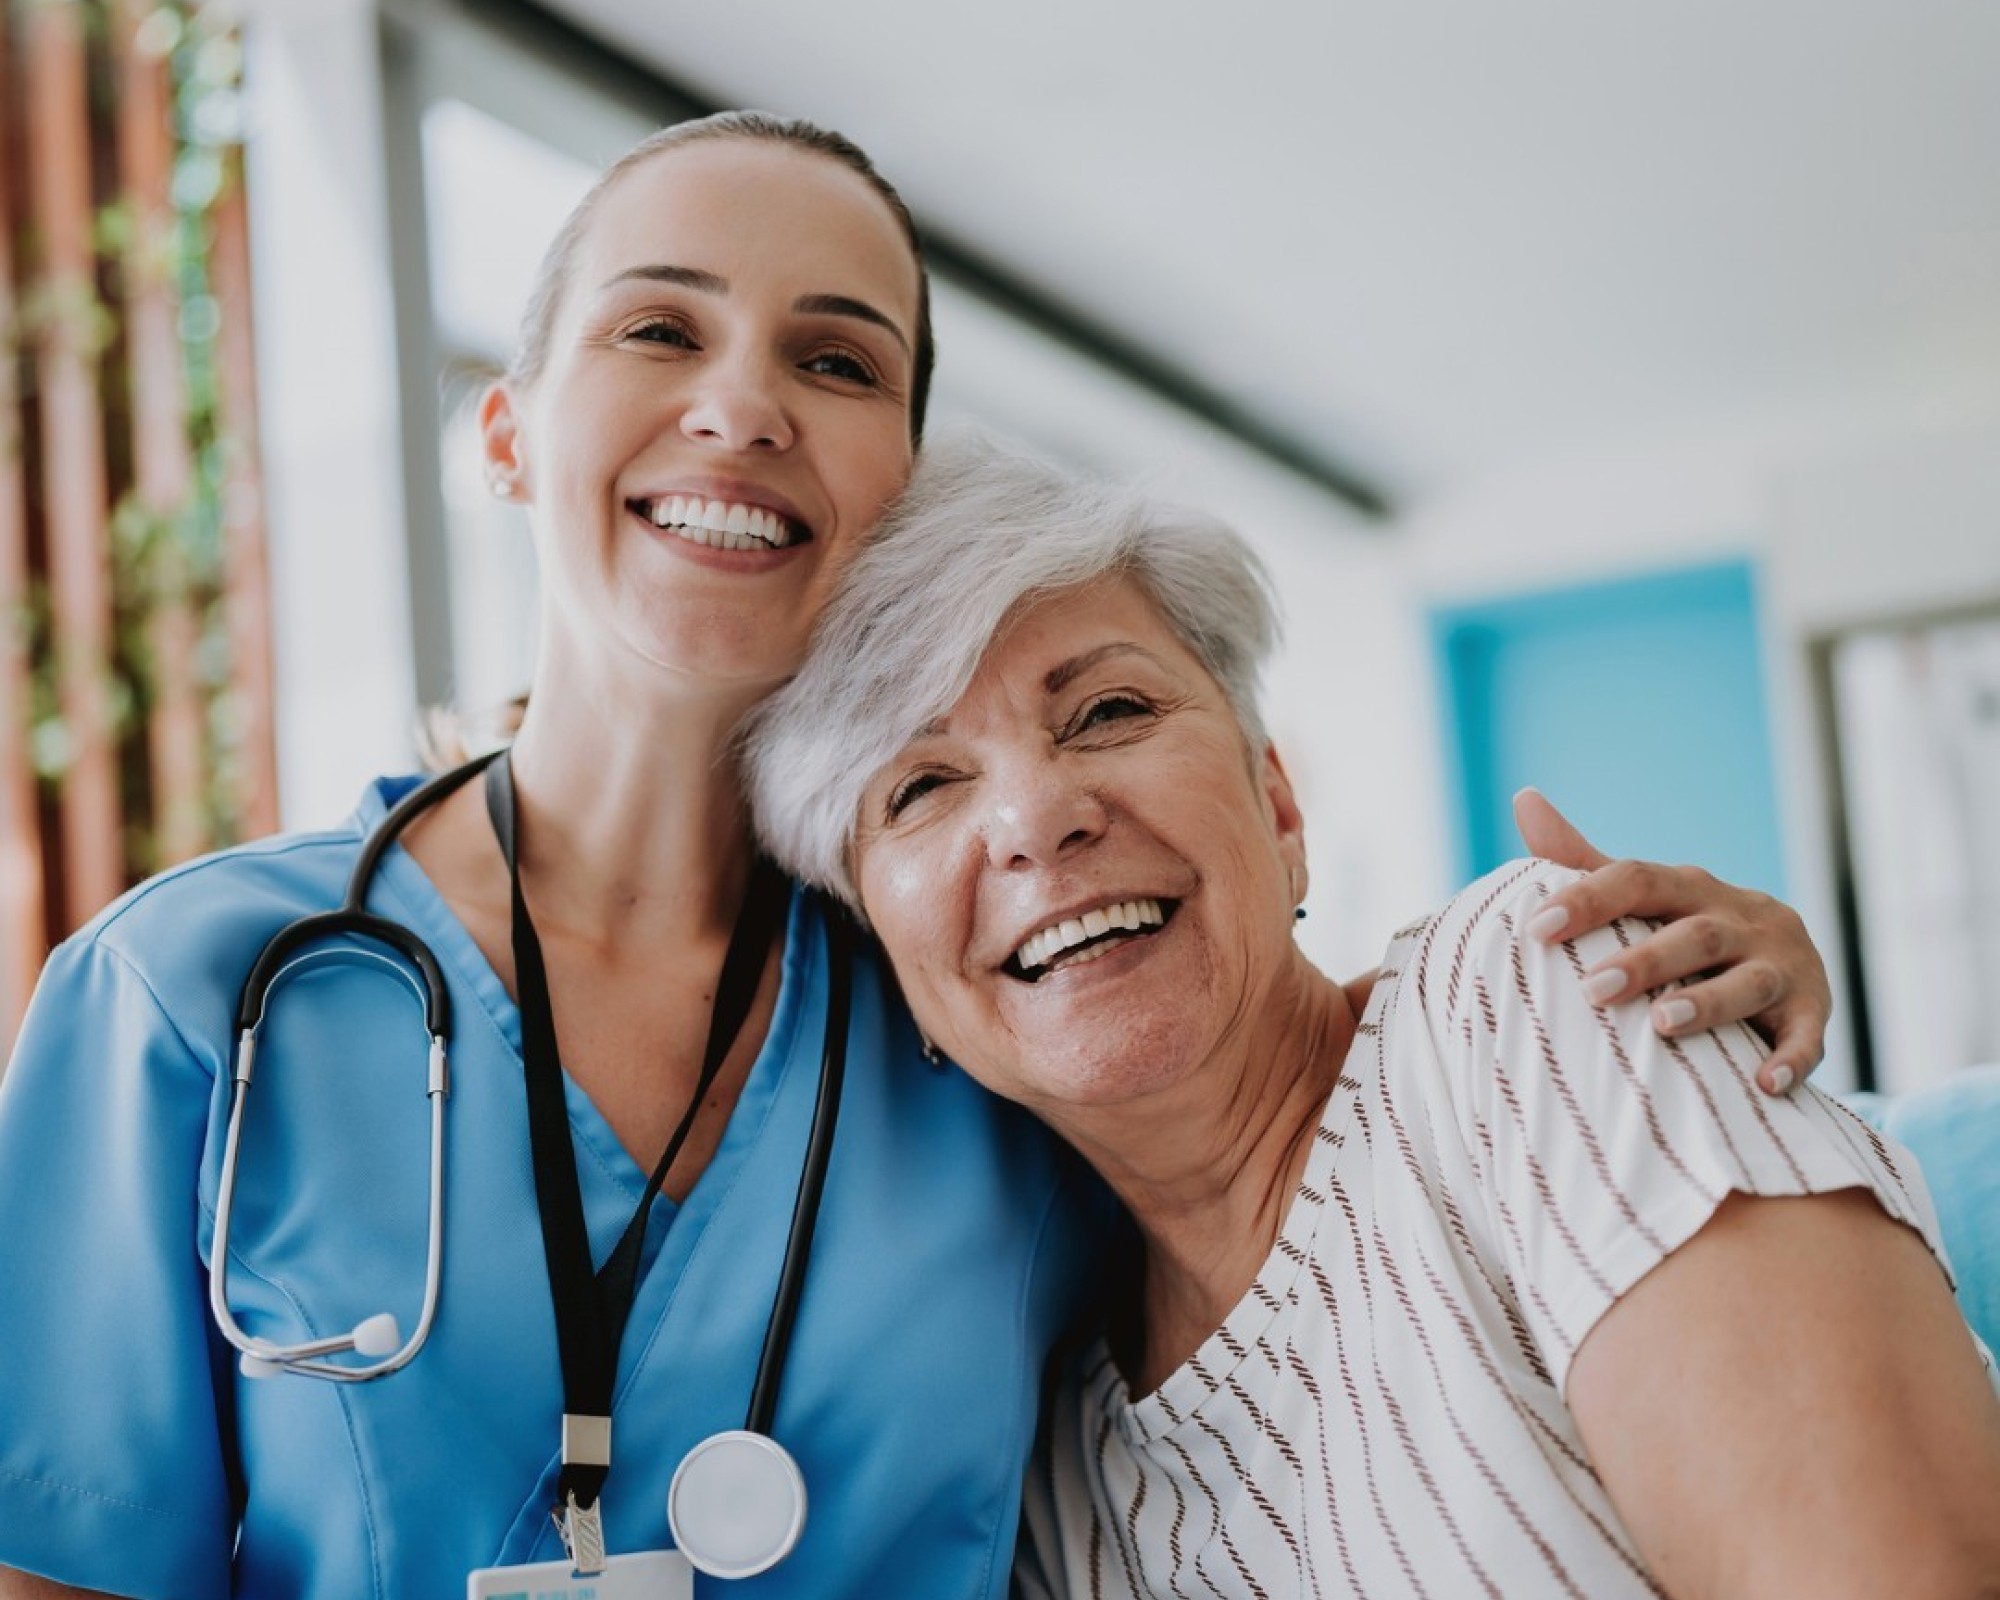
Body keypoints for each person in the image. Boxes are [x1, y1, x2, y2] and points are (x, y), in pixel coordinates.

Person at [0, 115, 1832, 1599]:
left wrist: (1638, 981)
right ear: (506, 432)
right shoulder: (193, 998)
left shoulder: (973, 996)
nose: (743, 403)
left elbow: (1319, 1136)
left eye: (834, 356)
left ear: (895, 482)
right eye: (659, 328)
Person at [743, 434, 2000, 1599]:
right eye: (920, 784)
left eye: (1110, 712)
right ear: (886, 961)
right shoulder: (1039, 1463)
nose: (1033, 817)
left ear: (1277, 811)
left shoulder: (1528, 992)